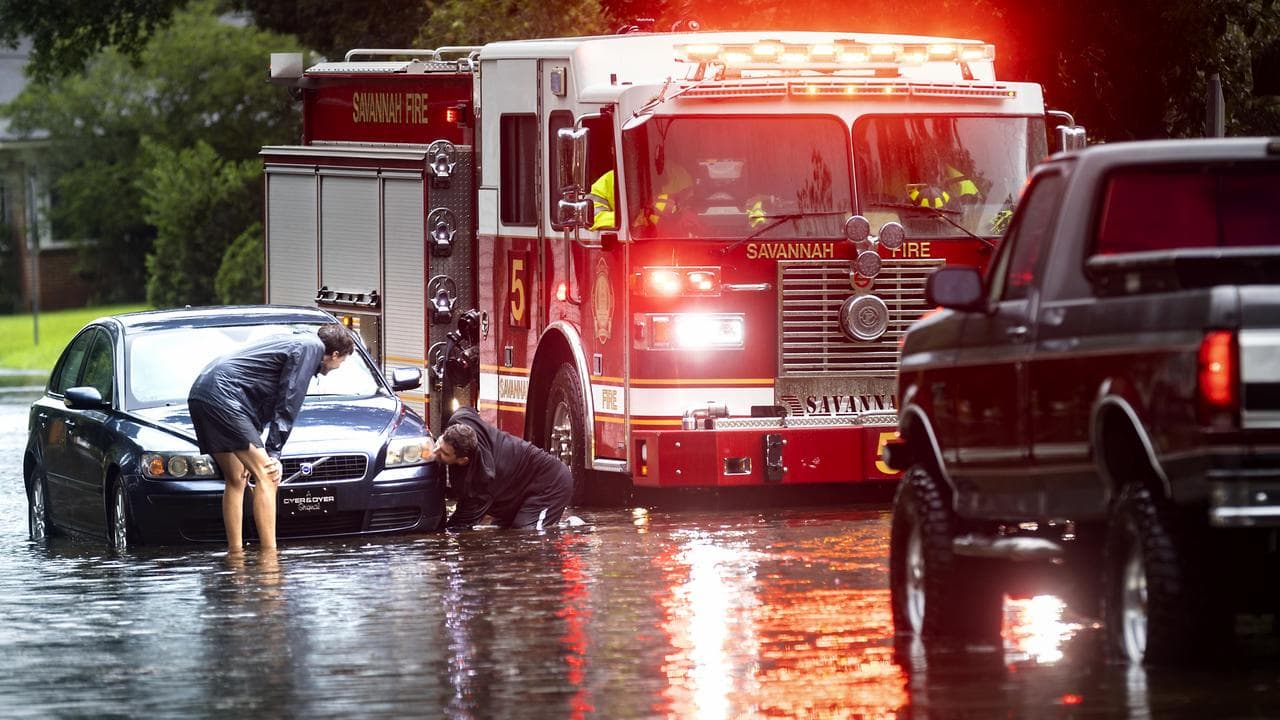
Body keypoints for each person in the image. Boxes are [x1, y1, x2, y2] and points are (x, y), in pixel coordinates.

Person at [188, 323, 355, 551]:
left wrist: (258, 440)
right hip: (224, 396)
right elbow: (289, 399)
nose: (337, 367)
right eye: (342, 361)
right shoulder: (311, 347)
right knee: (268, 475)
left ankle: (236, 554)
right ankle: (270, 557)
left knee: (237, 478)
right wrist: (273, 452)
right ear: (335, 354)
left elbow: (259, 394)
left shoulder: (297, 340)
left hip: (203, 392)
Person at [429, 406, 573, 530]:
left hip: (552, 483)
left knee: (527, 535)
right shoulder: (462, 418)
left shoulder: (480, 482)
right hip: (516, 489)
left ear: (462, 460)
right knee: (502, 532)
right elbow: (468, 408)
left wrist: (442, 542)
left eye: (444, 453)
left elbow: (462, 523)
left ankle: (572, 531)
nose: (435, 452)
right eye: (439, 444)